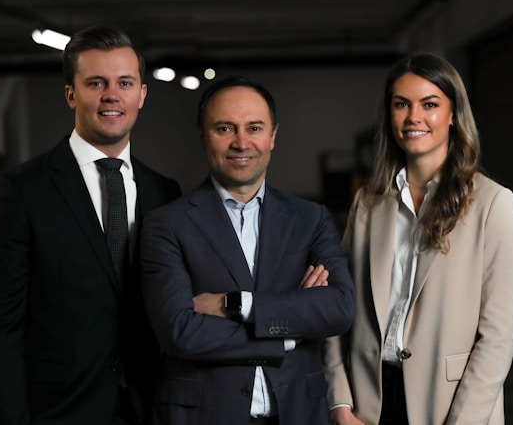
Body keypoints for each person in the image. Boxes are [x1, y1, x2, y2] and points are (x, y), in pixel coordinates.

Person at [0, 25, 181, 425]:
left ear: (142, 94)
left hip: (150, 407)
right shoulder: (18, 191)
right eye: (95, 83)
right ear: (71, 94)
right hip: (60, 411)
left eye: (124, 82)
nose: (111, 95)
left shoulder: (164, 193)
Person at [139, 75, 355, 425]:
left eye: (254, 128)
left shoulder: (310, 219)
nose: (242, 142)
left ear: (272, 137)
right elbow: (180, 331)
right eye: (225, 129)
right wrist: (288, 331)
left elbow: (339, 308)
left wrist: (235, 304)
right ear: (202, 137)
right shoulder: (166, 223)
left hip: (298, 413)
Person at [323, 52, 513, 425]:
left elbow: (498, 338)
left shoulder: (493, 204)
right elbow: (338, 309)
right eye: (402, 104)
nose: (414, 117)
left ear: (452, 115)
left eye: (429, 104)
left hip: (453, 406)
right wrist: (339, 402)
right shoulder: (367, 204)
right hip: (369, 403)